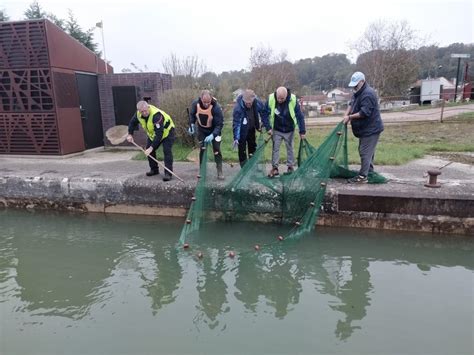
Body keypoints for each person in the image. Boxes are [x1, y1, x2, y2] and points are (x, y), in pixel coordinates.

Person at [343, 71, 384, 184]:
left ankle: (362, 177)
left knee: (364, 152)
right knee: (367, 152)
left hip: (371, 129)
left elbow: (364, 113)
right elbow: (351, 104)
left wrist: (349, 117)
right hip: (364, 129)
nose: (354, 87)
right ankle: (369, 171)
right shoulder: (358, 92)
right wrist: (346, 114)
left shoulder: (368, 93)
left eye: (356, 84)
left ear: (362, 81)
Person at [127, 100, 175, 181]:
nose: (144, 113)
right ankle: (154, 170)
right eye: (142, 111)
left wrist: (151, 148)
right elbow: (132, 123)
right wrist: (130, 134)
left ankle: (168, 173)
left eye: (145, 110)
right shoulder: (138, 114)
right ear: (139, 111)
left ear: (148, 107)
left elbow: (160, 134)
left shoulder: (156, 115)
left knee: (167, 151)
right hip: (153, 135)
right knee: (149, 151)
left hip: (167, 132)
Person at [263, 86, 306, 178]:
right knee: (275, 149)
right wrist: (268, 128)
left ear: (286, 96)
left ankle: (290, 167)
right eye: (278, 98)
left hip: (289, 129)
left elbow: (300, 116)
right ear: (276, 95)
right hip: (277, 129)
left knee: (290, 148)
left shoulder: (293, 100)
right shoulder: (271, 99)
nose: (280, 100)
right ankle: (275, 168)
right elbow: (264, 114)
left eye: (282, 98)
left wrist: (302, 131)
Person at [188, 90, 225, 180]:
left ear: (211, 99)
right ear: (201, 99)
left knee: (216, 150)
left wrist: (213, 135)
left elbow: (219, 125)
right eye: (204, 102)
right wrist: (191, 124)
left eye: (208, 102)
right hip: (202, 130)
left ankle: (219, 171)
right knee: (203, 149)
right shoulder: (195, 104)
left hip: (214, 131)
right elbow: (192, 115)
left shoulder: (216, 107)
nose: (206, 104)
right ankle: (202, 170)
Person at [232, 89, 269, 167]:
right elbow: (236, 123)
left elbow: (263, 112)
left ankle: (253, 167)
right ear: (243, 100)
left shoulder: (257, 102)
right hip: (242, 131)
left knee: (252, 147)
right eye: (247, 103)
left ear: (253, 100)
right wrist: (236, 137)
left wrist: (262, 123)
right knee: (242, 150)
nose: (248, 104)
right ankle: (244, 168)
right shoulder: (238, 108)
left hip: (251, 129)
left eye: (250, 103)